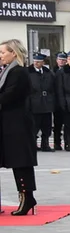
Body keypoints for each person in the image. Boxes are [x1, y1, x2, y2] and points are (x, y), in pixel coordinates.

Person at [0, 40, 39, 215]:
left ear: (13, 53)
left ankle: (27, 198)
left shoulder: (19, 72)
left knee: (21, 161)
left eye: (2, 52)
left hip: (17, 124)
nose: (0, 56)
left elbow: (9, 96)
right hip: (6, 123)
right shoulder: (6, 71)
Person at [28, 52, 56, 152]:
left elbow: (53, 88)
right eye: (35, 61)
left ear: (43, 62)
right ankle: (33, 145)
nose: (36, 63)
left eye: (38, 62)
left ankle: (45, 144)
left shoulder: (48, 73)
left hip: (47, 103)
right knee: (34, 126)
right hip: (34, 103)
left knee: (47, 126)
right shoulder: (28, 72)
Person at [52, 52, 67, 151]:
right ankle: (57, 142)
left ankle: (68, 142)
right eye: (60, 59)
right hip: (56, 101)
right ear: (57, 60)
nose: (61, 61)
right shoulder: (52, 71)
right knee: (57, 124)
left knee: (68, 123)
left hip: (67, 101)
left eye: (63, 60)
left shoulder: (68, 71)